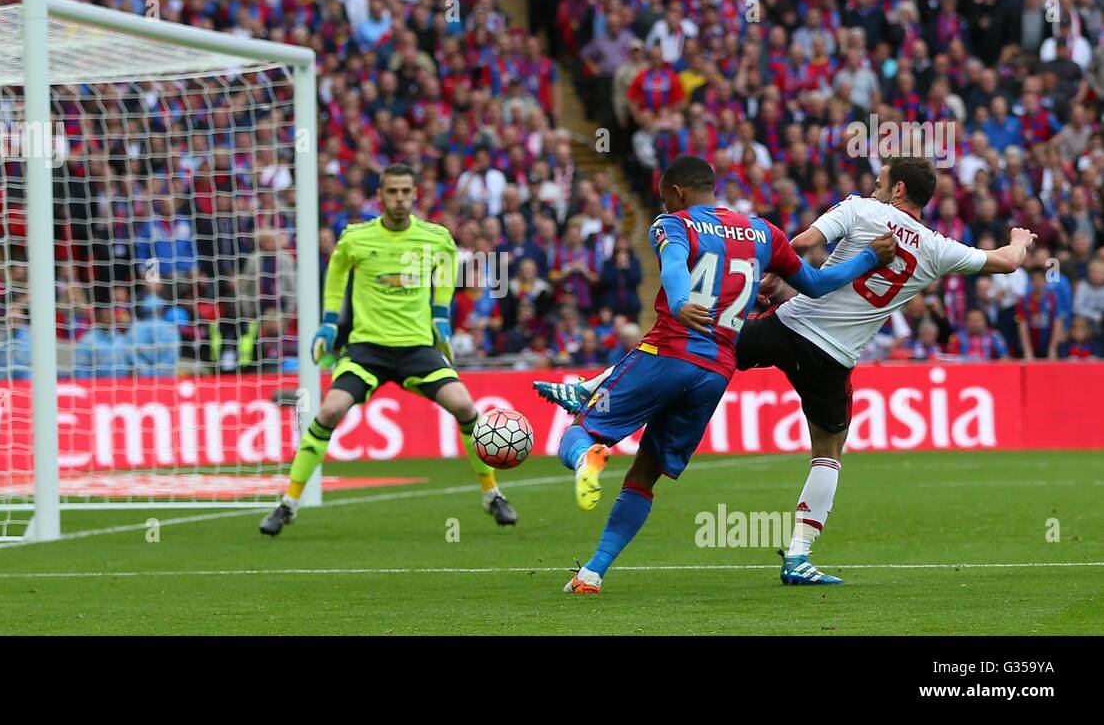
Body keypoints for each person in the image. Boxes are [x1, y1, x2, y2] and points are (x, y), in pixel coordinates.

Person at [540, 156, 1037, 587]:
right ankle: (799, 556)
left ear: (898, 189)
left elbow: (799, 242)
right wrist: (1019, 238)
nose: (873, 186)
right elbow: (1006, 262)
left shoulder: (859, 209)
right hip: (835, 357)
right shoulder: (937, 248)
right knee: (828, 452)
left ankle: (590, 388)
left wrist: (774, 275)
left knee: (703, 339)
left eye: (881, 179)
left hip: (787, 326)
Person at [555, 156, 894, 594]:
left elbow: (675, 266)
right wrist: (868, 256)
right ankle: (591, 574)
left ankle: (589, 457)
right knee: (645, 475)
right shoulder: (762, 232)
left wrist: (679, 302)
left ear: (676, 193)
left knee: (580, 431)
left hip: (668, 350)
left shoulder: (672, 223)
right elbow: (814, 281)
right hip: (716, 372)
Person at [259, 164, 517, 536]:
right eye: (392, 192)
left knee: (465, 406)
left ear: (415, 195)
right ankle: (288, 503)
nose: (399, 199)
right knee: (330, 410)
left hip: (416, 348)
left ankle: (492, 494)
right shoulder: (355, 238)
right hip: (367, 350)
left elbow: (445, 270)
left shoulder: (435, 237)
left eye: (405, 192)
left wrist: (441, 314)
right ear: (379, 196)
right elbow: (336, 272)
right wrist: (331, 321)